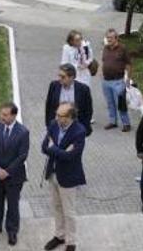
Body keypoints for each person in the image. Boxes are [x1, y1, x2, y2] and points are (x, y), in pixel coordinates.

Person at [42, 103, 87, 251]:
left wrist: (53, 148)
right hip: (53, 173)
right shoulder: (53, 124)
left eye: (60, 116)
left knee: (69, 211)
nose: (56, 118)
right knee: (56, 207)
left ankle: (71, 242)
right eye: (57, 114)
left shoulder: (79, 132)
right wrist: (60, 151)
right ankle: (59, 236)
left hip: (68, 176)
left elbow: (70, 156)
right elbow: (43, 147)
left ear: (69, 117)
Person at [0, 101, 29, 246]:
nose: (1, 117)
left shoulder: (23, 132)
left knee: (13, 204)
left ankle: (12, 231)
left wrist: (7, 171)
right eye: (1, 113)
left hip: (14, 176)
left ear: (14, 115)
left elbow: (22, 156)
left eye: (5, 114)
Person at [45, 64, 93, 137]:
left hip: (75, 128)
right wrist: (48, 125)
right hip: (57, 127)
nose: (60, 79)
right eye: (59, 76)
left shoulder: (83, 89)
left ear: (72, 77)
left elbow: (88, 110)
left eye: (63, 77)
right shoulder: (54, 86)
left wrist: (83, 128)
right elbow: (48, 106)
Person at [60, 30, 95, 123]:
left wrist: (87, 64)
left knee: (85, 94)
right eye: (76, 40)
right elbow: (64, 63)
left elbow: (91, 57)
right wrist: (75, 67)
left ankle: (87, 115)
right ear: (71, 41)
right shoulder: (67, 48)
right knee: (73, 95)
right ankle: (71, 114)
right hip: (74, 75)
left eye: (80, 39)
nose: (79, 41)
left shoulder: (85, 45)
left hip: (84, 74)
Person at [101, 29, 132, 132]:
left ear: (116, 38)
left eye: (110, 37)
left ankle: (126, 123)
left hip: (118, 81)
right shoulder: (105, 48)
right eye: (107, 37)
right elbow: (104, 61)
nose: (108, 39)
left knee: (120, 103)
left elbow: (128, 64)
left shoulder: (122, 49)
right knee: (110, 103)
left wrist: (128, 78)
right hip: (106, 81)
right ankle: (113, 121)